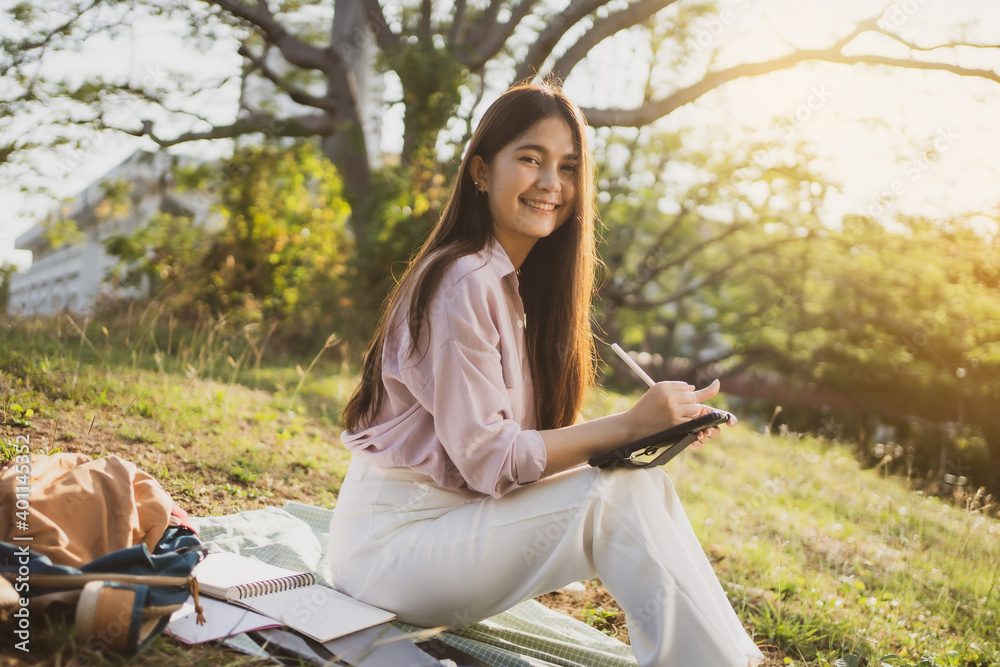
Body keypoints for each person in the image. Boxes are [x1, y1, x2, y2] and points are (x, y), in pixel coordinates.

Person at [329, 81, 764, 667]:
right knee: (610, 502)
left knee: (641, 484)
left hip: (453, 529)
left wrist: (653, 430)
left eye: (568, 167)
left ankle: (726, 660)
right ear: (481, 171)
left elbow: (519, 456)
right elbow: (493, 462)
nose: (551, 184)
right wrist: (627, 425)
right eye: (530, 159)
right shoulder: (463, 282)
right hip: (391, 553)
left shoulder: (511, 287)